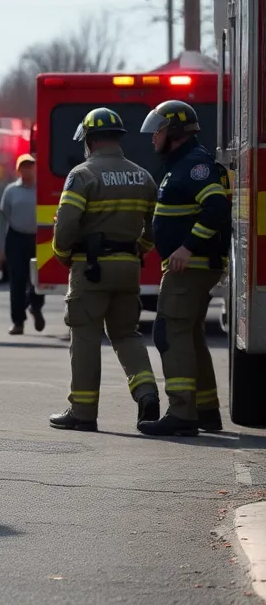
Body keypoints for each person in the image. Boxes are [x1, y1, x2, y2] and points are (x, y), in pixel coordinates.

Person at [48, 107, 161, 432]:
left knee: (84, 335)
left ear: (91, 140)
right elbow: (155, 223)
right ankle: (146, 393)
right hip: (128, 268)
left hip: (91, 268)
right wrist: (140, 249)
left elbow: (67, 224)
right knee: (126, 334)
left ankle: (83, 411)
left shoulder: (82, 175)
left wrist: (62, 253)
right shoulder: (143, 176)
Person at [136, 100, 230, 436]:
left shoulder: (194, 165)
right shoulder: (182, 164)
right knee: (190, 335)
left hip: (190, 268)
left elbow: (216, 206)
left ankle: (181, 414)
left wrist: (188, 248)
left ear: (173, 132)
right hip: (190, 267)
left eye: (157, 131)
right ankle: (205, 411)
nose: (153, 138)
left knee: (169, 333)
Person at [0, 153, 46, 335]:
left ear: (35, 168)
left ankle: (35, 306)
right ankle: (18, 322)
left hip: (39, 238)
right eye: (23, 166)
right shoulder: (11, 191)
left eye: (30, 166)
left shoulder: (42, 189)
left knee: (39, 280)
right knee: (17, 282)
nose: (27, 169)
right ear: (18, 170)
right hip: (16, 239)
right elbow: (2, 221)